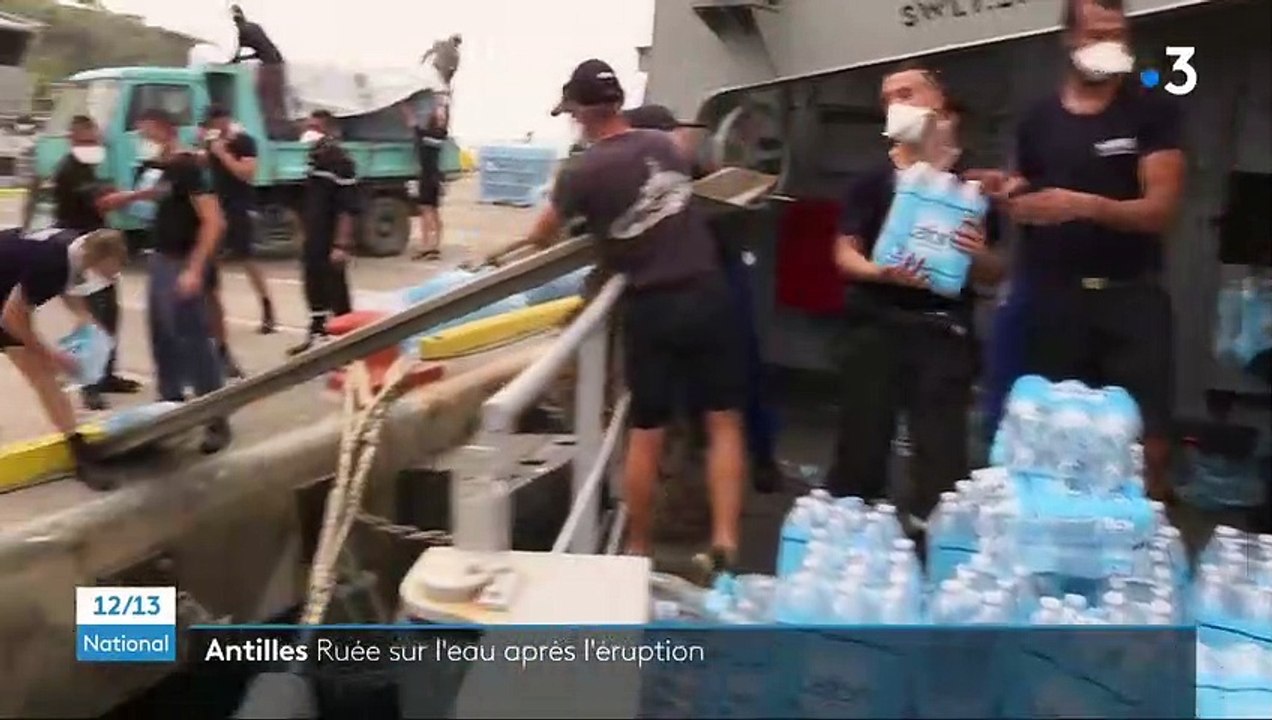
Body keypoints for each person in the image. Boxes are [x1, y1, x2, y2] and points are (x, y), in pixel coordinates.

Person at [478, 60, 749, 577]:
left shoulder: (581, 171)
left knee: (646, 431)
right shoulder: (665, 147)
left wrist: (503, 248)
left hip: (654, 305)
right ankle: (726, 542)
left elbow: (543, 234)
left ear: (579, 113)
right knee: (724, 423)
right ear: (619, 103)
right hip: (709, 292)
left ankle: (638, 548)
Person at [976, 0, 1185, 503]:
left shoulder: (1152, 111)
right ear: (1069, 39)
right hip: (1052, 298)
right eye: (1096, 34)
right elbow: (1028, 192)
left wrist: (1084, 205)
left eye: (1118, 35)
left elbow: (1161, 210)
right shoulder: (1037, 119)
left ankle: (1143, 548)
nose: (1109, 45)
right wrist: (1006, 191)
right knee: (1045, 437)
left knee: (1148, 442)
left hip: (1129, 298)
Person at [828, 63, 1005, 527]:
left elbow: (994, 272)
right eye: (888, 100)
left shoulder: (973, 186)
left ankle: (934, 549)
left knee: (941, 459)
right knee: (859, 450)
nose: (896, 105)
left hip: (942, 332)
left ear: (939, 103)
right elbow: (844, 253)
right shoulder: (871, 182)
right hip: (874, 325)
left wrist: (979, 253)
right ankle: (852, 543)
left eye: (907, 93)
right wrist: (880, 272)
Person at [622, 103, 788, 494]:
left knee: (735, 385)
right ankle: (727, 466)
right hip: (705, 288)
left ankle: (760, 461)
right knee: (717, 394)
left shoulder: (692, 178)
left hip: (713, 286)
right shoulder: (666, 179)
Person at [135, 108, 233, 454]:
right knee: (162, 339)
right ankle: (170, 411)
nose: (140, 137)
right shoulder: (164, 166)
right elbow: (159, 199)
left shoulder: (188, 167)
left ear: (163, 127)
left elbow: (214, 221)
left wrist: (194, 269)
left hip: (181, 263)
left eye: (144, 129)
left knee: (193, 343)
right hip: (160, 260)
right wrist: (126, 198)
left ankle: (215, 418)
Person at [1, 227, 129, 490]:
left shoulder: (76, 245)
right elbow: (11, 319)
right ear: (95, 259)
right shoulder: (52, 263)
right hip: (4, 305)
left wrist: (87, 321)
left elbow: (69, 286)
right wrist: (52, 355)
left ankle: (78, 449)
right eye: (108, 273)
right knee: (44, 374)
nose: (110, 279)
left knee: (46, 377)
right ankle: (81, 457)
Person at [50, 115, 143, 411]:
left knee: (110, 314)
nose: (94, 146)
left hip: (99, 249)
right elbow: (102, 202)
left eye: (95, 140)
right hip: (80, 251)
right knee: (92, 318)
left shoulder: (87, 168)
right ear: (73, 140)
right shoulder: (70, 170)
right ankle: (89, 386)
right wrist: (142, 194)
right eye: (87, 141)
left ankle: (106, 374)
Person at [200, 105, 277, 338]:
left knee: (246, 259)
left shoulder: (244, 142)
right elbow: (206, 169)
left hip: (239, 206)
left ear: (226, 119)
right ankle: (211, 315)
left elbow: (247, 173)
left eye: (216, 121)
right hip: (217, 206)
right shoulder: (211, 144)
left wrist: (224, 154)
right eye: (209, 124)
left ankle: (267, 308)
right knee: (210, 261)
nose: (214, 127)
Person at [288, 110, 357, 356]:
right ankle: (317, 332)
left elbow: (347, 208)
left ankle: (349, 342)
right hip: (314, 237)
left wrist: (341, 245)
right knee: (313, 283)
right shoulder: (313, 159)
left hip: (331, 238)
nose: (309, 131)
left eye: (315, 127)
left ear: (329, 129)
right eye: (308, 126)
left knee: (336, 288)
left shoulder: (341, 161)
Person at [229, 4, 289, 139]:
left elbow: (235, 51)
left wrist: (234, 60)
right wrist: (241, 58)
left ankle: (274, 135)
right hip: (276, 63)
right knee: (275, 103)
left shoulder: (242, 30)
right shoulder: (253, 26)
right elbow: (261, 49)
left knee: (267, 103)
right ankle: (277, 132)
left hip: (270, 67)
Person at [401, 102, 449, 262]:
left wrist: (404, 107)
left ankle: (427, 246)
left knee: (426, 211)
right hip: (436, 176)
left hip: (427, 177)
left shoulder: (425, 135)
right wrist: (443, 107)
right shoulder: (441, 135)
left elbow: (411, 121)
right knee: (433, 211)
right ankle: (435, 245)